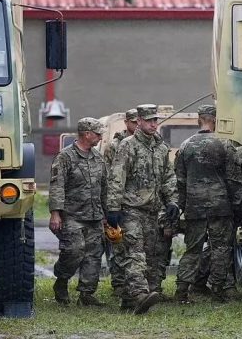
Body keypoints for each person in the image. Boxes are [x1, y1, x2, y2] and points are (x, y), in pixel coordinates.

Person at [107, 104, 179, 314]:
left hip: (152, 210)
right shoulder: (128, 146)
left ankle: (129, 301)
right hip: (130, 209)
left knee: (149, 255)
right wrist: (113, 208)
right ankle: (140, 295)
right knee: (134, 253)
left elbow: (168, 177)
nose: (153, 124)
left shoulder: (161, 147)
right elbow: (116, 178)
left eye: (155, 120)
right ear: (138, 121)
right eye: (149, 121)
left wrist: (172, 201)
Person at [174, 104, 242, 303]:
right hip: (219, 206)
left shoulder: (185, 145)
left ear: (199, 120)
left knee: (192, 249)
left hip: (194, 206)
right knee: (220, 248)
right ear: (215, 120)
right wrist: (238, 206)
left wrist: (180, 205)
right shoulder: (224, 144)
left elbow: (179, 180)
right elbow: (234, 180)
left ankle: (181, 291)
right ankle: (218, 291)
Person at [49, 117, 107, 306]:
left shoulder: (98, 158)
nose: (100, 137)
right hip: (72, 214)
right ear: (87, 134)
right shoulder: (65, 157)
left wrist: (107, 214)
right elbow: (57, 185)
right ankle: (62, 281)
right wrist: (55, 213)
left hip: (95, 214)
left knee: (93, 255)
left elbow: (104, 187)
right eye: (98, 134)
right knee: (74, 250)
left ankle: (87, 294)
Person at [193, 141, 242, 299]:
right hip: (221, 211)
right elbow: (230, 196)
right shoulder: (230, 171)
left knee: (215, 247)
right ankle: (220, 287)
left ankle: (200, 283)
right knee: (221, 247)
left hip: (212, 208)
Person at [103, 108, 138, 297]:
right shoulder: (115, 146)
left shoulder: (145, 143)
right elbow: (110, 177)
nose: (137, 126)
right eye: (133, 122)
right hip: (120, 201)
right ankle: (119, 284)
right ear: (127, 123)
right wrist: (112, 206)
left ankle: (135, 284)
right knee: (118, 244)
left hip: (139, 203)